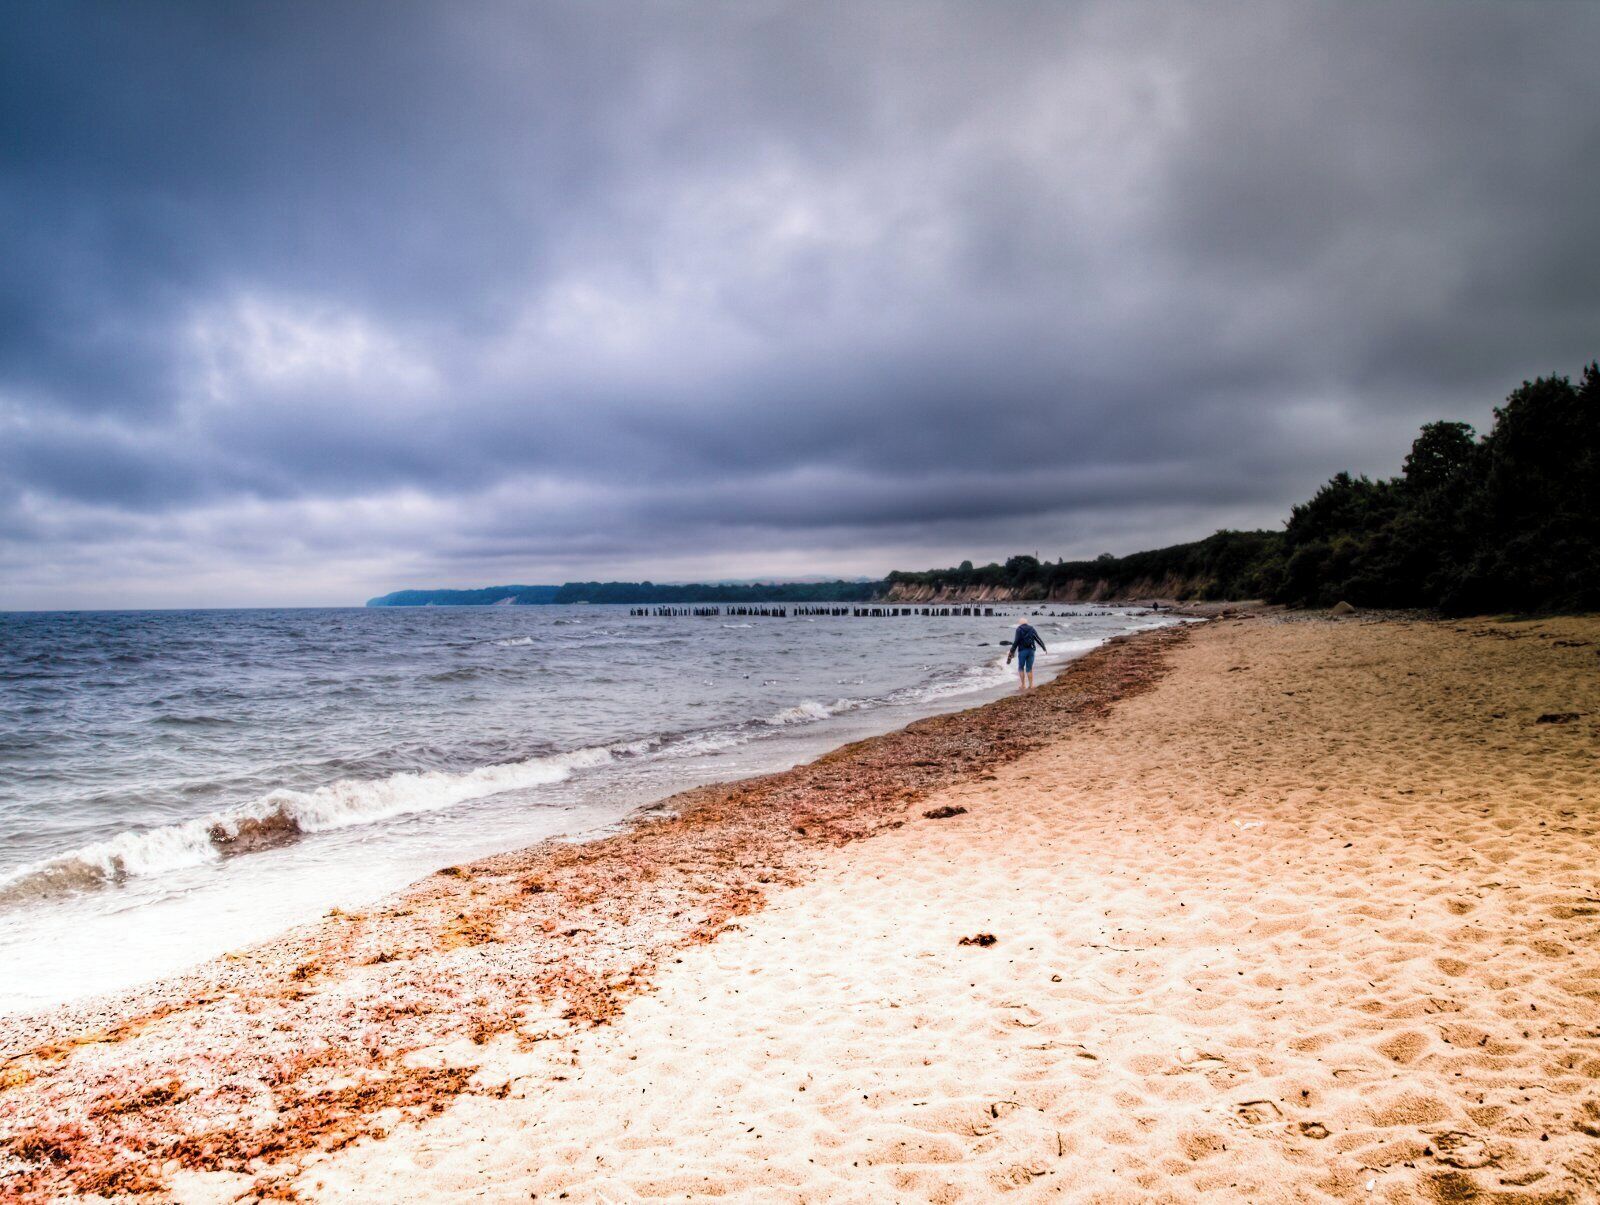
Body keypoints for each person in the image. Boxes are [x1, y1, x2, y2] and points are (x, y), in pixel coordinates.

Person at [1006, 618, 1047, 690]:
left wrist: (1011, 651)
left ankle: (1023, 685)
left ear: (1020, 623)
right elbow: (1038, 639)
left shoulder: (1019, 629)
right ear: (1027, 623)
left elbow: (1016, 642)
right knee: (1029, 668)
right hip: (1031, 651)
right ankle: (1031, 685)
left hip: (1022, 651)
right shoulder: (1032, 629)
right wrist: (1044, 647)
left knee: (1021, 667)